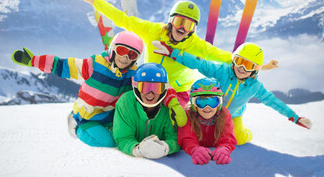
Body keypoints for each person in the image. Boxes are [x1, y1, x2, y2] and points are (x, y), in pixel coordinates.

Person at [76, 0, 235, 108]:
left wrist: (248, 63)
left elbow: (220, 55)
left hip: (178, 91)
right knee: (129, 106)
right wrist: (91, 0)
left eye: (189, 26)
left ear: (193, 29)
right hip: (149, 84)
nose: (182, 29)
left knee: (174, 119)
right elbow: (122, 19)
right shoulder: (152, 30)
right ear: (171, 20)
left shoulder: (195, 44)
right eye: (180, 22)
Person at [153, 41, 312, 145]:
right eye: (240, 61)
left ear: (255, 70)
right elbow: (199, 63)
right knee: (187, 132)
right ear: (234, 59)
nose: (242, 68)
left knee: (238, 139)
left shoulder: (254, 86)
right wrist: (172, 52)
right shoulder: (222, 71)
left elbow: (273, 101)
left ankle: (246, 133)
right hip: (206, 107)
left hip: (232, 114)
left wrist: (295, 117)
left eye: (248, 65)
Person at [12, 31, 145, 147]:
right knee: (108, 142)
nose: (125, 57)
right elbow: (63, 65)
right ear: (113, 49)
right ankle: (76, 127)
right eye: (122, 51)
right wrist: (34, 60)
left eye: (132, 55)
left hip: (110, 117)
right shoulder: (95, 64)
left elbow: (146, 88)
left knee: (126, 137)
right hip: (88, 116)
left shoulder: (132, 74)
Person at [113, 63, 180, 159]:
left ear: (164, 89)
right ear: (136, 87)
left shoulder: (169, 107)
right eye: (145, 87)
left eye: (156, 88)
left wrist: (166, 147)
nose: (150, 94)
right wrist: (137, 150)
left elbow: (175, 138)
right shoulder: (125, 102)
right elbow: (123, 137)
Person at [178, 77, 236, 165]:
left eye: (213, 101)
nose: (207, 107)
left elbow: (227, 137)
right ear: (193, 103)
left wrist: (224, 148)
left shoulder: (224, 114)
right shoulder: (188, 115)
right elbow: (186, 138)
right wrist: (194, 149)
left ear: (219, 103)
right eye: (201, 102)